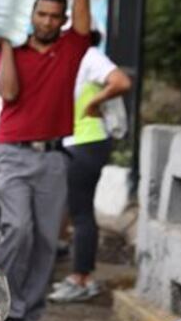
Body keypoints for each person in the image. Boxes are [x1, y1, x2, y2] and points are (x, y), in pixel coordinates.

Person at [0, 0, 91, 321]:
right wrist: (4, 46)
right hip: (12, 154)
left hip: (52, 157)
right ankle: (5, 308)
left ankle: (27, 313)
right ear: (30, 15)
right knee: (18, 230)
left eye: (54, 16)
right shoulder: (10, 48)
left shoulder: (72, 47)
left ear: (63, 20)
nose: (47, 21)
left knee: (48, 240)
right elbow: (9, 94)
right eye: (41, 14)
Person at [49, 30, 131, 302]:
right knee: (77, 211)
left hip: (87, 141)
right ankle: (80, 275)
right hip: (80, 141)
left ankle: (81, 279)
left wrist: (95, 101)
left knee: (81, 212)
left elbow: (121, 82)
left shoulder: (90, 56)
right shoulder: (77, 59)